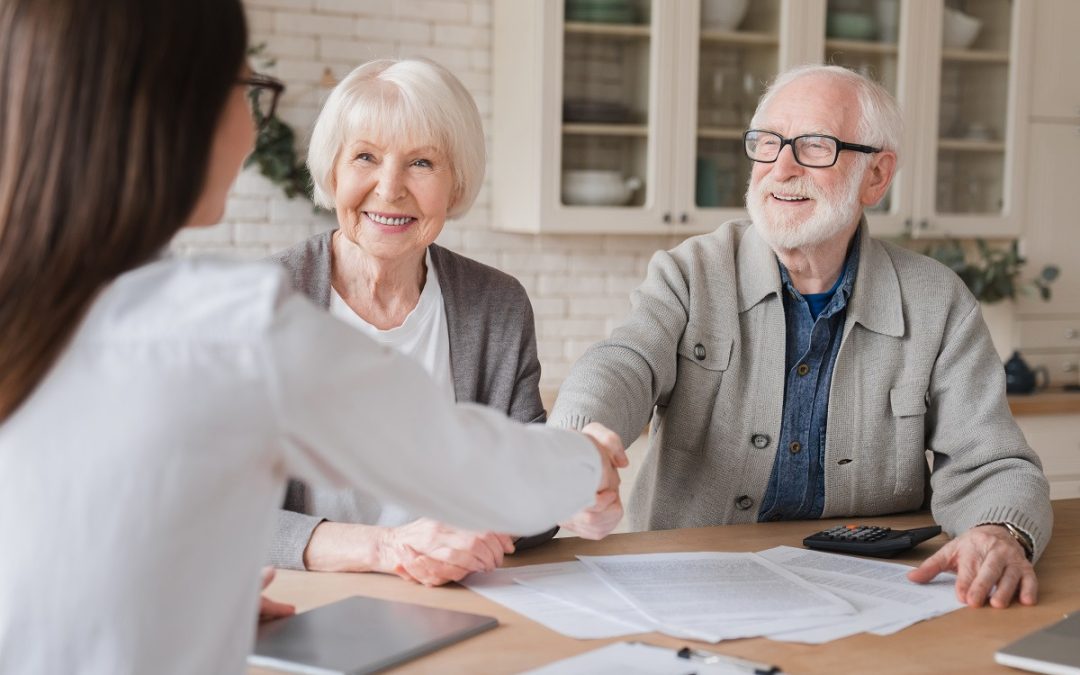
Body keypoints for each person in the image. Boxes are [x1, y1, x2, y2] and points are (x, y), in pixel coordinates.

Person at [0, 1, 627, 672]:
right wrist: (587, 462)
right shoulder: (234, 328)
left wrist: (196, 593)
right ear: (176, 115)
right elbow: (458, 459)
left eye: (421, 163)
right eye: (247, 90)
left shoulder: (43, 306)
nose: (251, 124)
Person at [551, 64, 1052, 610]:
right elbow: (623, 362)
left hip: (876, 592)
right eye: (767, 144)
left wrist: (1001, 531)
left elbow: (994, 463)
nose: (780, 168)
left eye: (814, 146)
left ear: (877, 177)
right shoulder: (691, 272)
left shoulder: (939, 301)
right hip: (693, 582)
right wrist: (575, 444)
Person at [268, 59, 619, 586]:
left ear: (456, 184)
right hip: (306, 598)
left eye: (422, 163)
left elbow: (521, 496)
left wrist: (569, 492)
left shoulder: (496, 304)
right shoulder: (265, 304)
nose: (389, 189)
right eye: (366, 156)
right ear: (333, 172)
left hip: (458, 598)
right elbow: (216, 514)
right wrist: (389, 548)